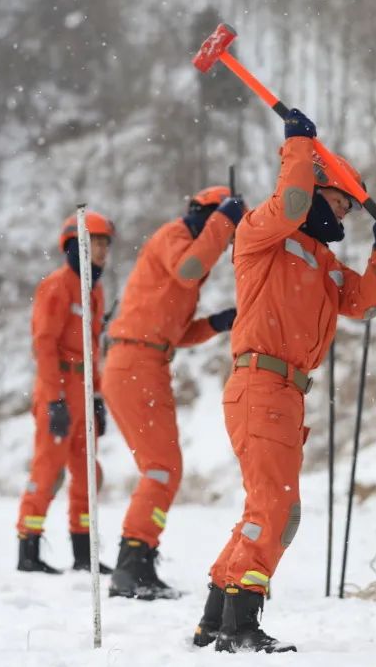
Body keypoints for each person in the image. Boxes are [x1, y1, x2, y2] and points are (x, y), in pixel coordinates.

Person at [192, 108, 376, 653]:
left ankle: (216, 617)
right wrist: (299, 147)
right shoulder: (264, 232)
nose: (342, 215)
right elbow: (289, 203)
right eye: (338, 202)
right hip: (260, 386)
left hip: (285, 395)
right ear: (313, 189)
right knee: (278, 510)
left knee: (262, 506)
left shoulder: (324, 262)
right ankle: (239, 627)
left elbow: (368, 304)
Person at [103, 186, 244, 599]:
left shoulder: (187, 262)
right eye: (220, 226)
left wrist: (218, 323)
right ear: (204, 214)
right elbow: (189, 266)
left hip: (145, 361)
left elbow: (176, 333)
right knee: (162, 468)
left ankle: (139, 559)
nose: (222, 240)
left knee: (163, 468)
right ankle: (132, 564)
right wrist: (225, 219)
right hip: (135, 364)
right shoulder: (174, 237)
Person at [16, 210, 115, 574]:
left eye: (106, 245)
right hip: (57, 388)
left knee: (88, 473)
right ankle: (28, 551)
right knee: (48, 470)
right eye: (96, 244)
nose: (102, 252)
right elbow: (44, 344)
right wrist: (56, 397)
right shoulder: (57, 286)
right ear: (75, 246)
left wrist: (98, 398)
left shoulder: (95, 290)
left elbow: (94, 347)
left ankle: (83, 553)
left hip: (85, 390)